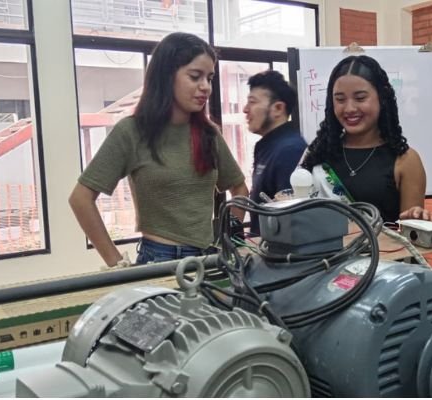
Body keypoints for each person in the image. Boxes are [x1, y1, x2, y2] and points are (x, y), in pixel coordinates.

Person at [69, 32, 248, 268]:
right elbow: (80, 199)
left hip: (207, 260)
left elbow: (239, 189)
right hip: (159, 260)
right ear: (166, 77)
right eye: (195, 77)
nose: (206, 87)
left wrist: (229, 240)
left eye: (210, 78)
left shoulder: (208, 135)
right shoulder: (132, 132)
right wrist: (116, 263)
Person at [301, 55, 432, 223]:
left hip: (381, 250)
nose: (349, 108)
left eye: (360, 98)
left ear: (382, 99)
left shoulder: (406, 160)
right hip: (319, 249)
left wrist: (418, 220)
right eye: (340, 99)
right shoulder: (317, 152)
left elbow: (411, 239)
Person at [243, 70, 307, 234]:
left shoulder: (291, 151)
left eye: (252, 102)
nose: (245, 109)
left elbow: (289, 221)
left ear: (278, 108)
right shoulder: (266, 145)